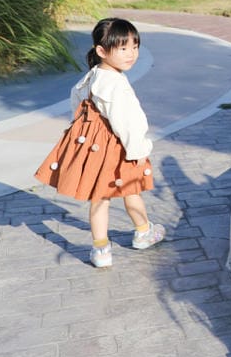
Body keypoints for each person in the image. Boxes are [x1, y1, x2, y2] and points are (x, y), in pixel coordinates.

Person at [63, 18, 165, 267]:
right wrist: (139, 149)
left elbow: (76, 101)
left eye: (135, 46)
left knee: (100, 198)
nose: (131, 54)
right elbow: (127, 122)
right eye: (123, 48)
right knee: (131, 189)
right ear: (101, 51)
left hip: (97, 147)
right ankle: (143, 232)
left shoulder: (94, 76)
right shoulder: (116, 84)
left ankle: (101, 251)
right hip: (120, 146)